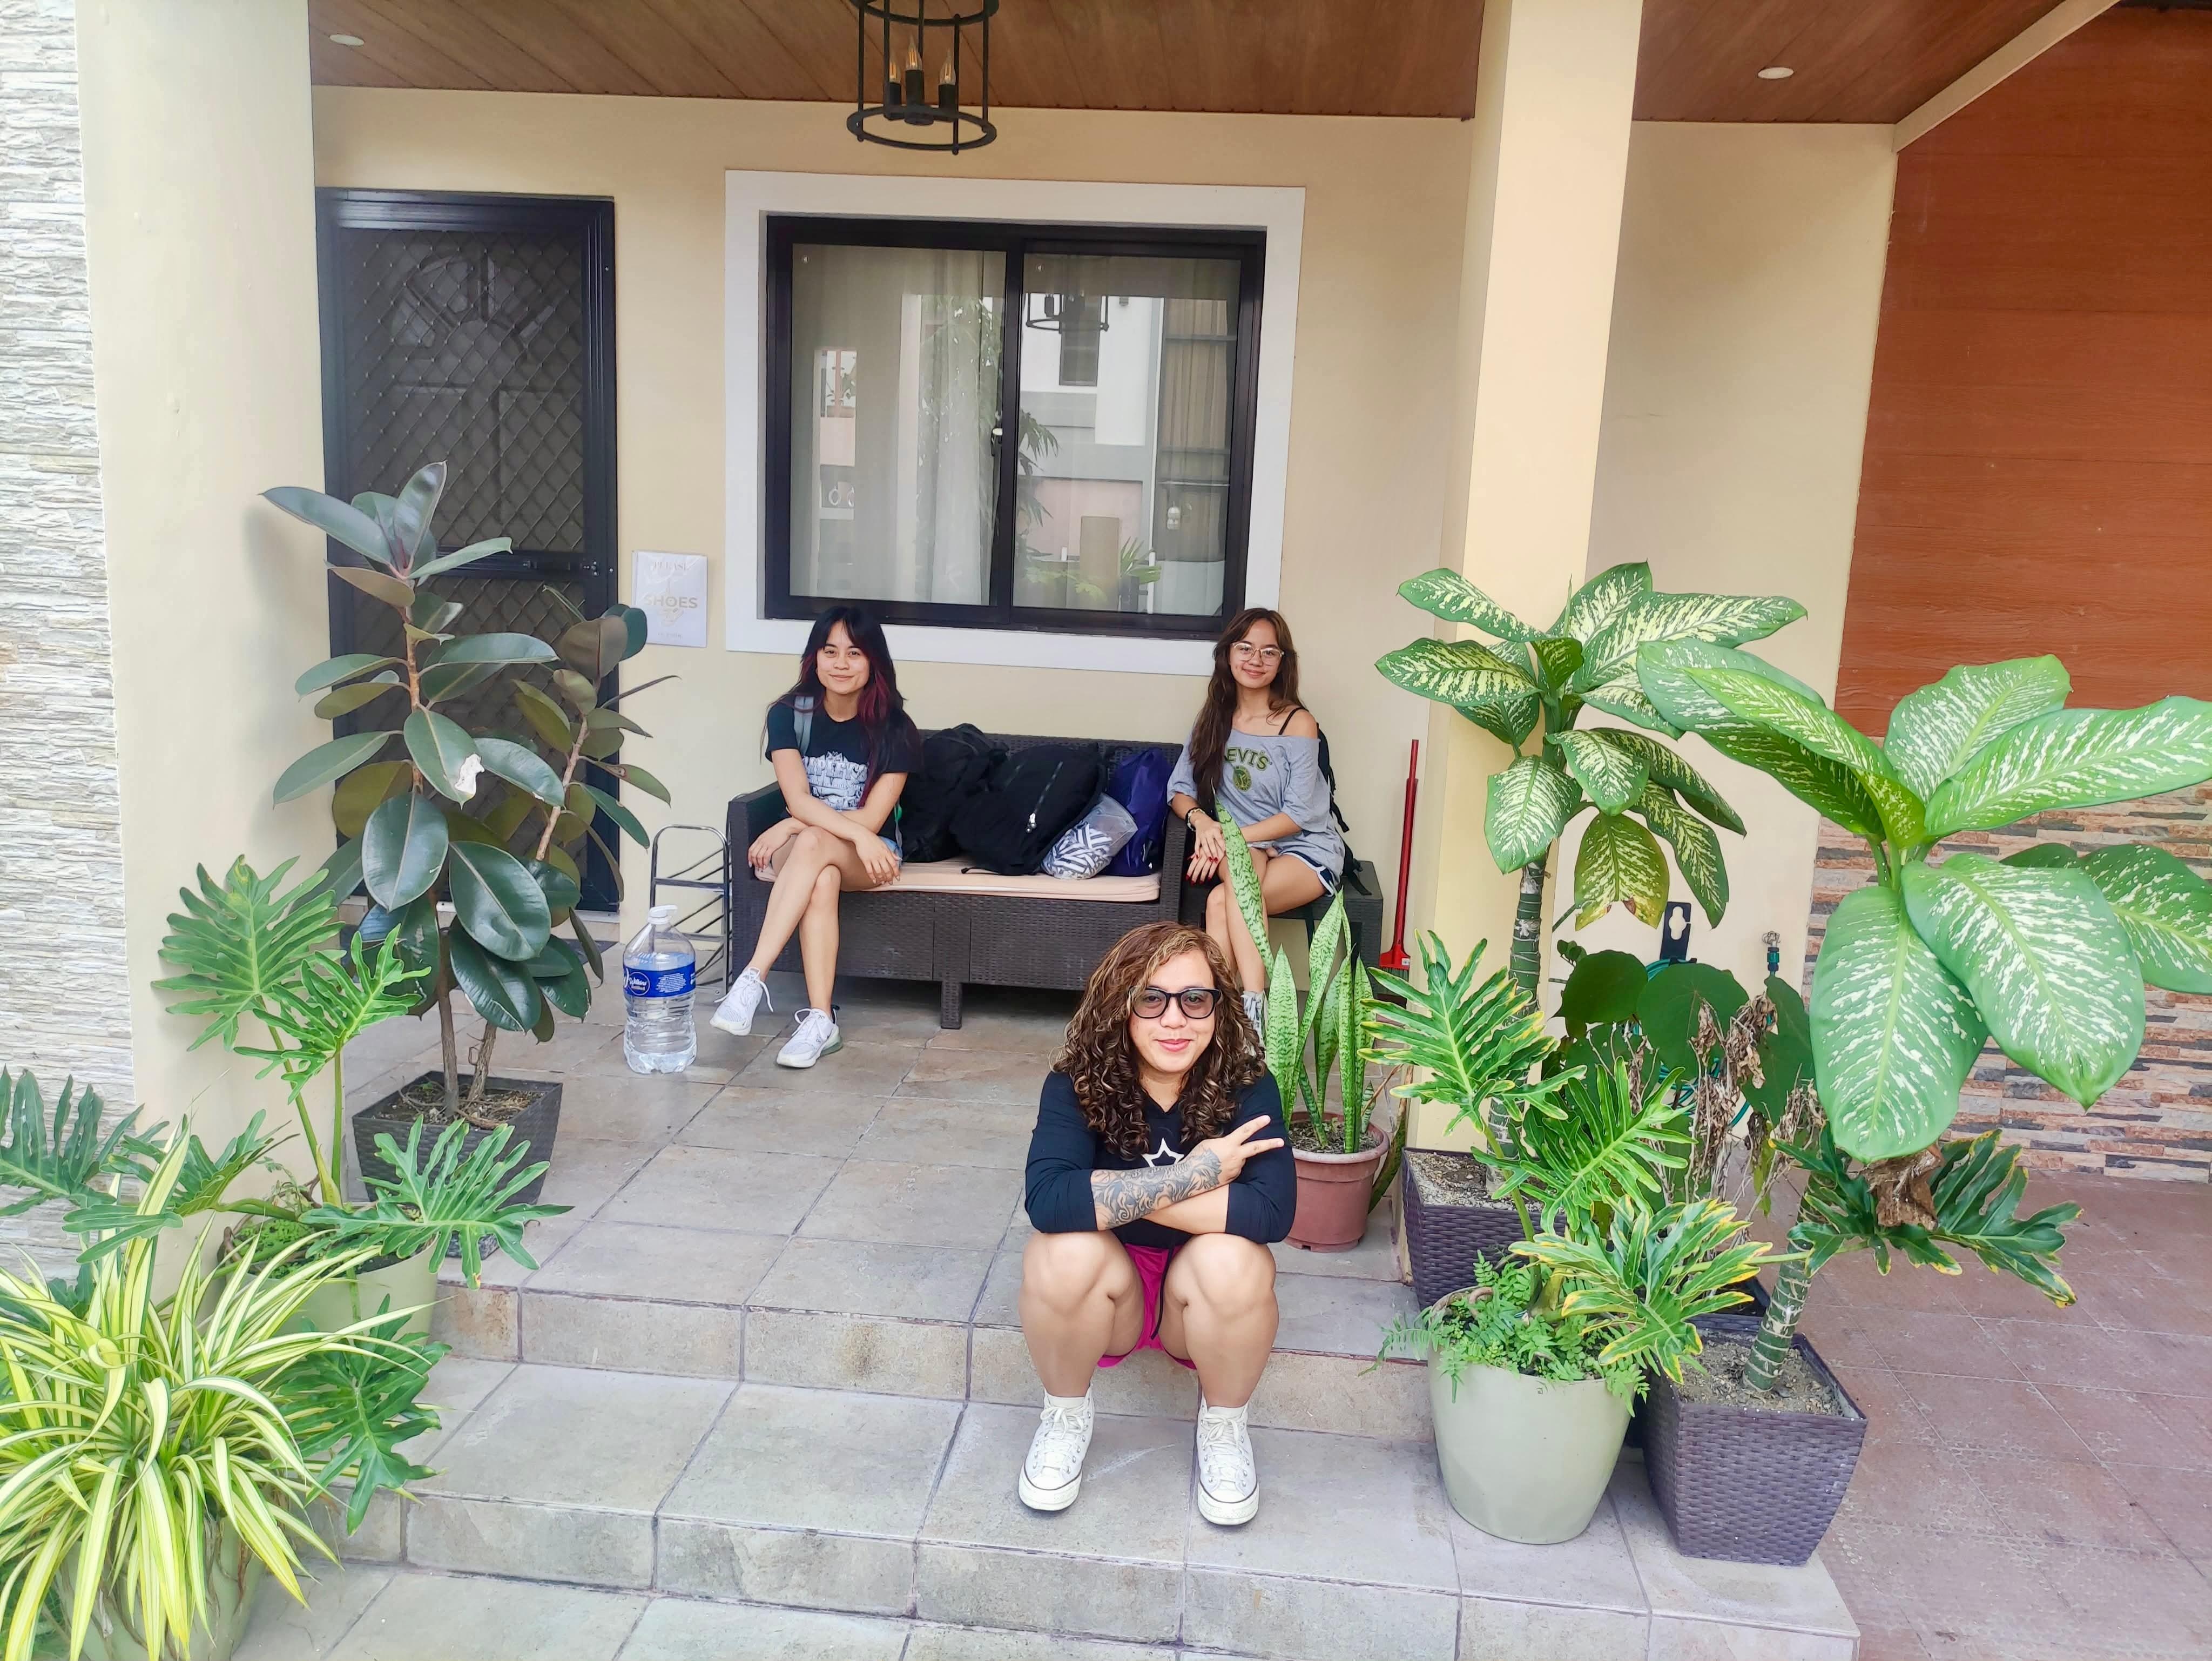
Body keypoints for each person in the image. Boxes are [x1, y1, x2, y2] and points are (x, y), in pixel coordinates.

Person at [1018, 920, 1293, 1525]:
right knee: (1059, 1253)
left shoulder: (1248, 1087)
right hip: (1110, 1292)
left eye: (1194, 999)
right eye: (1152, 998)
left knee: (1237, 1258)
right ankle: (1065, 1416)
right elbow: (1047, 1200)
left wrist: (1102, 1194)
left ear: (1218, 1007)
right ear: (1121, 1004)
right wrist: (1197, 1175)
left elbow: (1272, 1212)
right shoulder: (1076, 1083)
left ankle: (1224, 1426)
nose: (1175, 1020)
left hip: (1196, 1296)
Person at [710, 605, 920, 1068]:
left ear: (874, 661)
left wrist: (797, 823)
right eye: (830, 651)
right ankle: (822, 1020)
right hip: (818, 847)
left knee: (813, 847)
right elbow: (797, 798)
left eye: (854, 653)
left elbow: (873, 819)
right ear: (815, 657)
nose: (841, 663)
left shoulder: (896, 729)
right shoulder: (788, 715)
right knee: (819, 872)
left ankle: (752, 978)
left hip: (871, 854)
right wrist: (797, 822)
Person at [1165, 608, 1346, 1030]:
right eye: (1245, 648)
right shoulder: (1214, 718)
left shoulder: (1298, 723)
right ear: (1228, 654)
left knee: (1225, 896)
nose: (1255, 659)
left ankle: (1242, 1011)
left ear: (1282, 662)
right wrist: (1204, 824)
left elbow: (1298, 815)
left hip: (1304, 849)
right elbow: (1179, 790)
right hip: (1242, 849)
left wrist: (1227, 838)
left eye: (1269, 651)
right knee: (1230, 885)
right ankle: (1238, 1016)